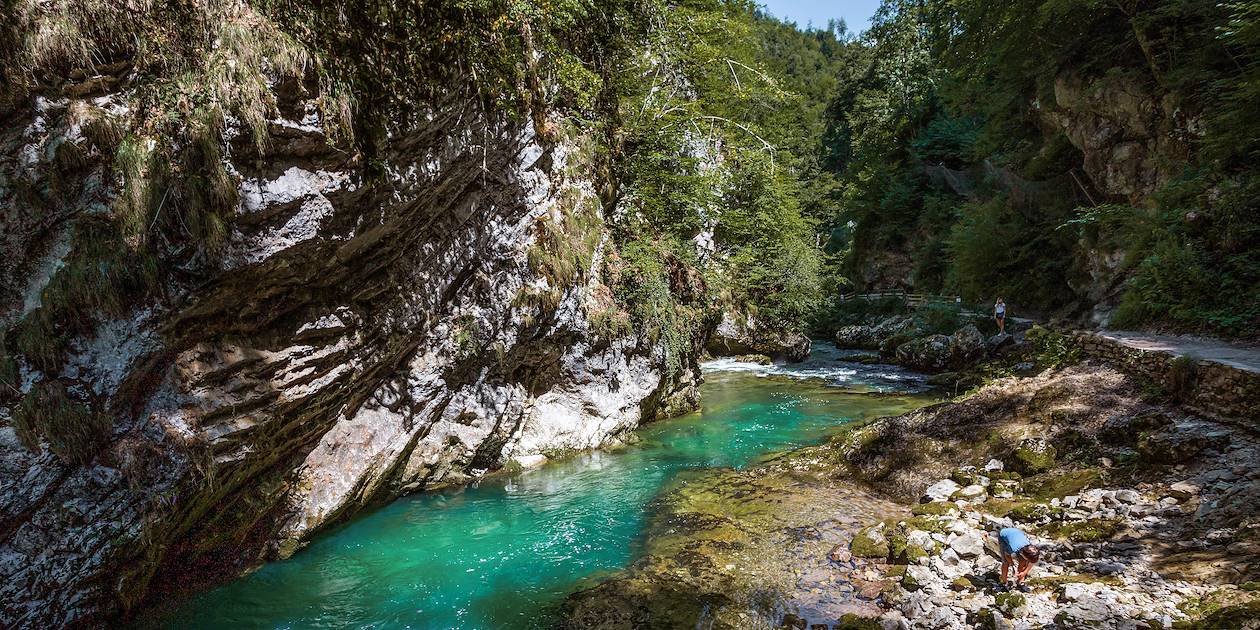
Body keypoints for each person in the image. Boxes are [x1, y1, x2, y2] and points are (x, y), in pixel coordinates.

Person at [998, 527, 1040, 592]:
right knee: (1006, 562)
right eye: (1028, 559)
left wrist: (1024, 572)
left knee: (1023, 562)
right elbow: (1007, 555)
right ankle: (1004, 583)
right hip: (1003, 535)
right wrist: (1012, 565)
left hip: (1016, 533)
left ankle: (1020, 582)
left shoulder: (1032, 551)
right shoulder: (1013, 548)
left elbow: (1031, 562)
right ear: (1023, 554)